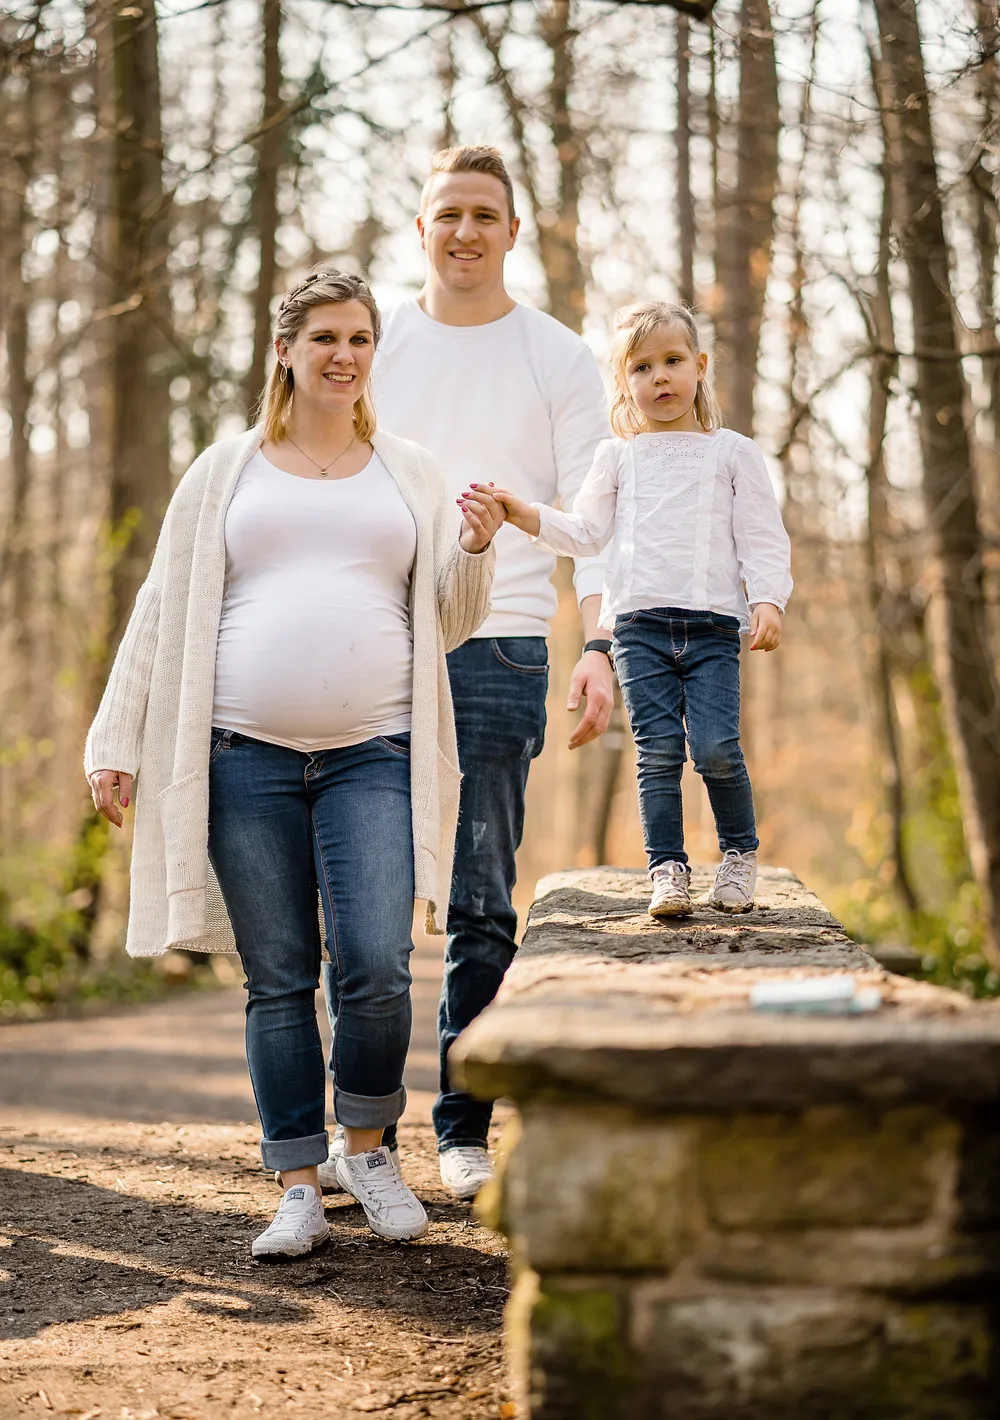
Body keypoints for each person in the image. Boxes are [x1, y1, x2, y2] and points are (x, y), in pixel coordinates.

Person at [85, 267, 503, 1259]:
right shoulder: (226, 470)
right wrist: (115, 738)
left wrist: (477, 548)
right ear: (285, 349)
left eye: (359, 339)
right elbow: (161, 609)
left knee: (373, 964)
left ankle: (369, 1150)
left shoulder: (406, 470)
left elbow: (447, 618)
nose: (343, 356)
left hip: (374, 754)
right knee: (277, 979)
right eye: (323, 338)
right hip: (241, 757)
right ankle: (297, 1184)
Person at [321, 145, 615, 1201]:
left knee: (481, 898)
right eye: (446, 213)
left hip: (501, 643)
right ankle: (362, 1141)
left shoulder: (559, 358)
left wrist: (600, 646)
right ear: (419, 229)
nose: (463, 232)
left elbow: (602, 521)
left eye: (483, 214)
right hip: (368, 638)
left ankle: (462, 1127)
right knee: (361, 900)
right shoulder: (375, 344)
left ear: (511, 232)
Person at [490, 299, 792, 917]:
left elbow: (763, 535)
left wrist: (768, 600)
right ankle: (668, 871)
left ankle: (738, 855)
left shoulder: (732, 453)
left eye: (673, 361)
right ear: (624, 382)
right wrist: (526, 515)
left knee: (714, 747)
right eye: (642, 367)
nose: (660, 377)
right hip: (639, 630)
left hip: (712, 628)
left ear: (699, 366)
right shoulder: (618, 458)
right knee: (656, 751)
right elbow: (584, 533)